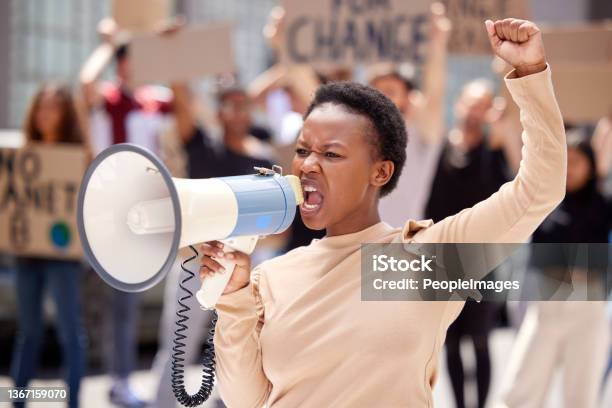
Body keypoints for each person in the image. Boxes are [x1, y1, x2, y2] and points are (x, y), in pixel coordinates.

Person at [201, 18, 567, 407]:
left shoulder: (431, 259)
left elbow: (540, 187)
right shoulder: (269, 277)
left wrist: (529, 75)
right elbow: (246, 401)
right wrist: (235, 301)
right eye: (303, 150)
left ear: (380, 172)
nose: (308, 165)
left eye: (331, 154)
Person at [151, 83, 274, 408]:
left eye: (243, 105)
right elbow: (181, 102)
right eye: (230, 106)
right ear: (218, 112)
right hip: (196, 262)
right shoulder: (203, 146)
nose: (238, 112)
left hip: (245, 264)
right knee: (177, 346)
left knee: (238, 343)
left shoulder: (263, 158)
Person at [78, 18, 174, 407]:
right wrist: (107, 44)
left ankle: (120, 380)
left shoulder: (156, 100)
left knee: (126, 303)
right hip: (105, 210)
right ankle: (100, 378)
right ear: (120, 64)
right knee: (99, 304)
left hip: (142, 214)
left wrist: (171, 48)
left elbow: (187, 107)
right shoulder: (108, 98)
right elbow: (85, 84)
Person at [495, 135, 611, 408]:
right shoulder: (544, 200)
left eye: (578, 161)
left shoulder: (602, 205)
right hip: (547, 301)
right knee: (521, 388)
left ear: (591, 165)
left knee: (580, 393)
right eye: (566, 160)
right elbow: (518, 164)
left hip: (588, 305)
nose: (571, 167)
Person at [424, 79, 513, 408]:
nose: (476, 110)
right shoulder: (440, 148)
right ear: (459, 104)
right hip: (443, 259)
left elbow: (515, 175)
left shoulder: (494, 150)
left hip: (482, 261)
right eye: (472, 102)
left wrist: (501, 131)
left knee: (479, 340)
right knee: (450, 341)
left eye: (483, 104)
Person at [10, 83, 88, 408]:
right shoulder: (22, 153)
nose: (46, 113)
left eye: (54, 106)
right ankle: (17, 400)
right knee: (28, 331)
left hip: (63, 256)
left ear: (66, 113)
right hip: (27, 254)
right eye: (42, 106)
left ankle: (72, 401)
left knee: (70, 331)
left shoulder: (81, 155)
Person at [370, 2, 451, 225]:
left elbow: (434, 93)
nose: (380, 96)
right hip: (356, 245)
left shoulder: (419, 133)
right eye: (375, 90)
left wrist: (438, 41)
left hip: (402, 244)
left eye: (390, 91)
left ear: (408, 98)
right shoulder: (359, 135)